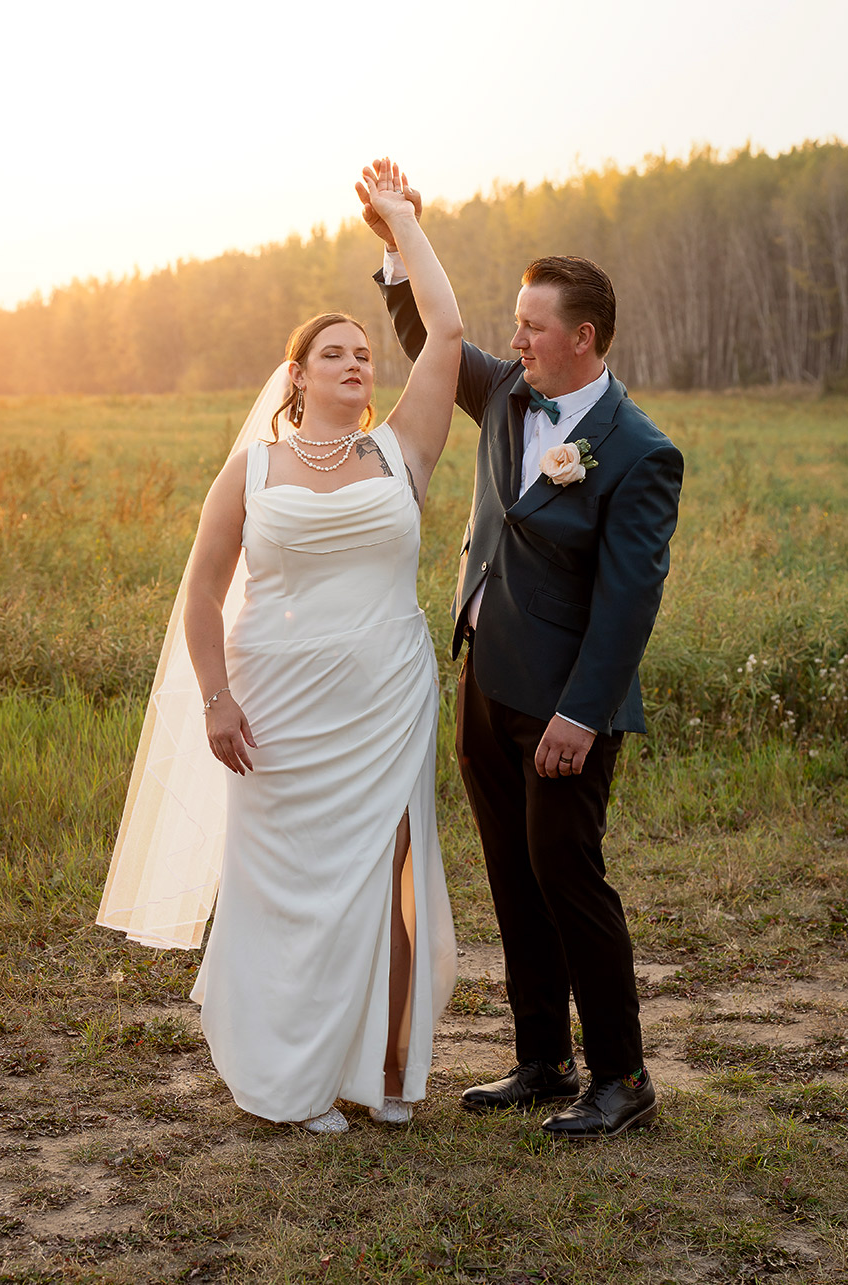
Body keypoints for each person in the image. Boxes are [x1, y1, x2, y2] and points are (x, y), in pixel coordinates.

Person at [98, 159, 461, 1134]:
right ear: (296, 375)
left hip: (385, 699)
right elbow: (203, 590)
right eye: (334, 354)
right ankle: (289, 1074)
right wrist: (216, 698)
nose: (356, 363)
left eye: (362, 354)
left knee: (388, 880)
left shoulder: (400, 452)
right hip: (275, 708)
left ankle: (378, 1071)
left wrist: (400, 225)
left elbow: (450, 334)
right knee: (289, 883)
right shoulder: (253, 470)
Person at [361, 173, 683, 1140]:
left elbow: (630, 604)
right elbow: (431, 340)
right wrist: (394, 246)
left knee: (567, 874)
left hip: (565, 708)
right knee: (511, 869)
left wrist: (581, 717)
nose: (519, 338)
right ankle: (543, 1056)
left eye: (533, 325)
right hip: (484, 680)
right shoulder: (506, 391)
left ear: (582, 337)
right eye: (515, 323)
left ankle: (623, 1074)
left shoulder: (638, 451)